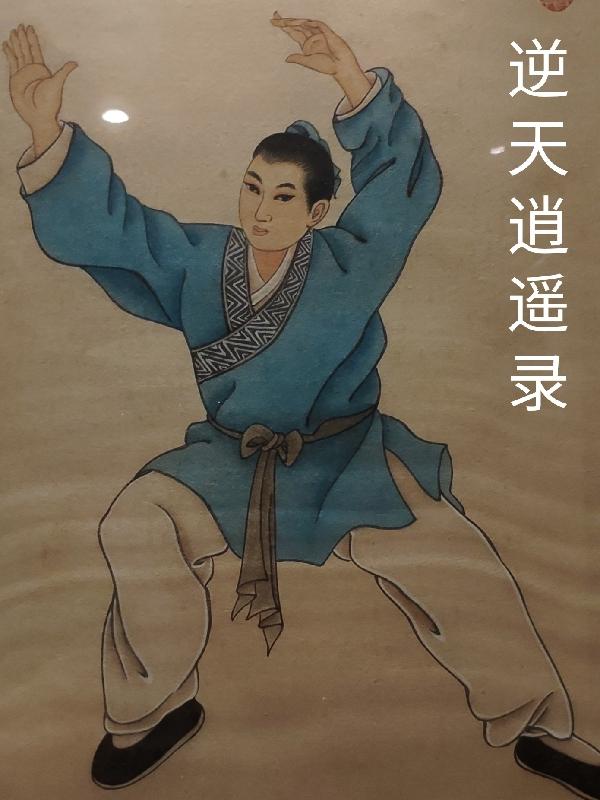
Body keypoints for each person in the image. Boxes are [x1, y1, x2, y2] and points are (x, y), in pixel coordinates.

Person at [3, 14, 599, 797]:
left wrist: (353, 83)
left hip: (343, 459)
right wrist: (46, 134)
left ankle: (541, 725)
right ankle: (151, 712)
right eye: (252, 187)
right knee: (135, 522)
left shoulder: (349, 264)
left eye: (283, 196)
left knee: (455, 558)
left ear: (316, 213)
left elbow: (398, 191)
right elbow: (118, 232)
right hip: (230, 458)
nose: (260, 210)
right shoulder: (200, 259)